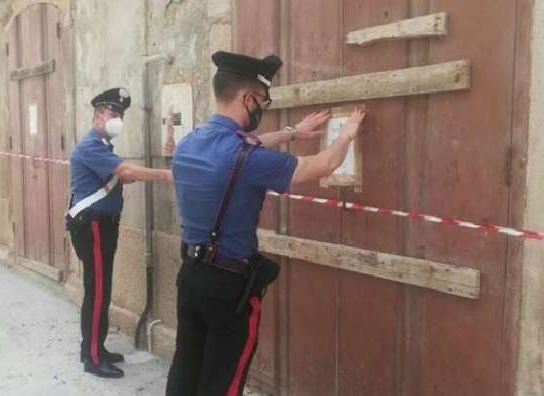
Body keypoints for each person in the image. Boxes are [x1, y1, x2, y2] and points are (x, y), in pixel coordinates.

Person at [167, 51, 367, 395]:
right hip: (229, 286)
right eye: (262, 100)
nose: (262, 107)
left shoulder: (189, 144)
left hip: (191, 276)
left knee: (186, 370)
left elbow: (248, 145)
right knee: (222, 382)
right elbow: (323, 165)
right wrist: (347, 132)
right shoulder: (248, 159)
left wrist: (292, 132)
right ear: (247, 98)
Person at [67, 87, 173, 379]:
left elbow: (122, 175)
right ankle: (91, 356)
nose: (118, 118)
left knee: (102, 289)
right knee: (97, 291)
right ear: (98, 115)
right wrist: (166, 175)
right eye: (113, 112)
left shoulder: (102, 147)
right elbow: (125, 169)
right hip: (93, 224)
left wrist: (138, 174)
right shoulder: (91, 145)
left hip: (102, 224)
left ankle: (97, 348)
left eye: (121, 114)